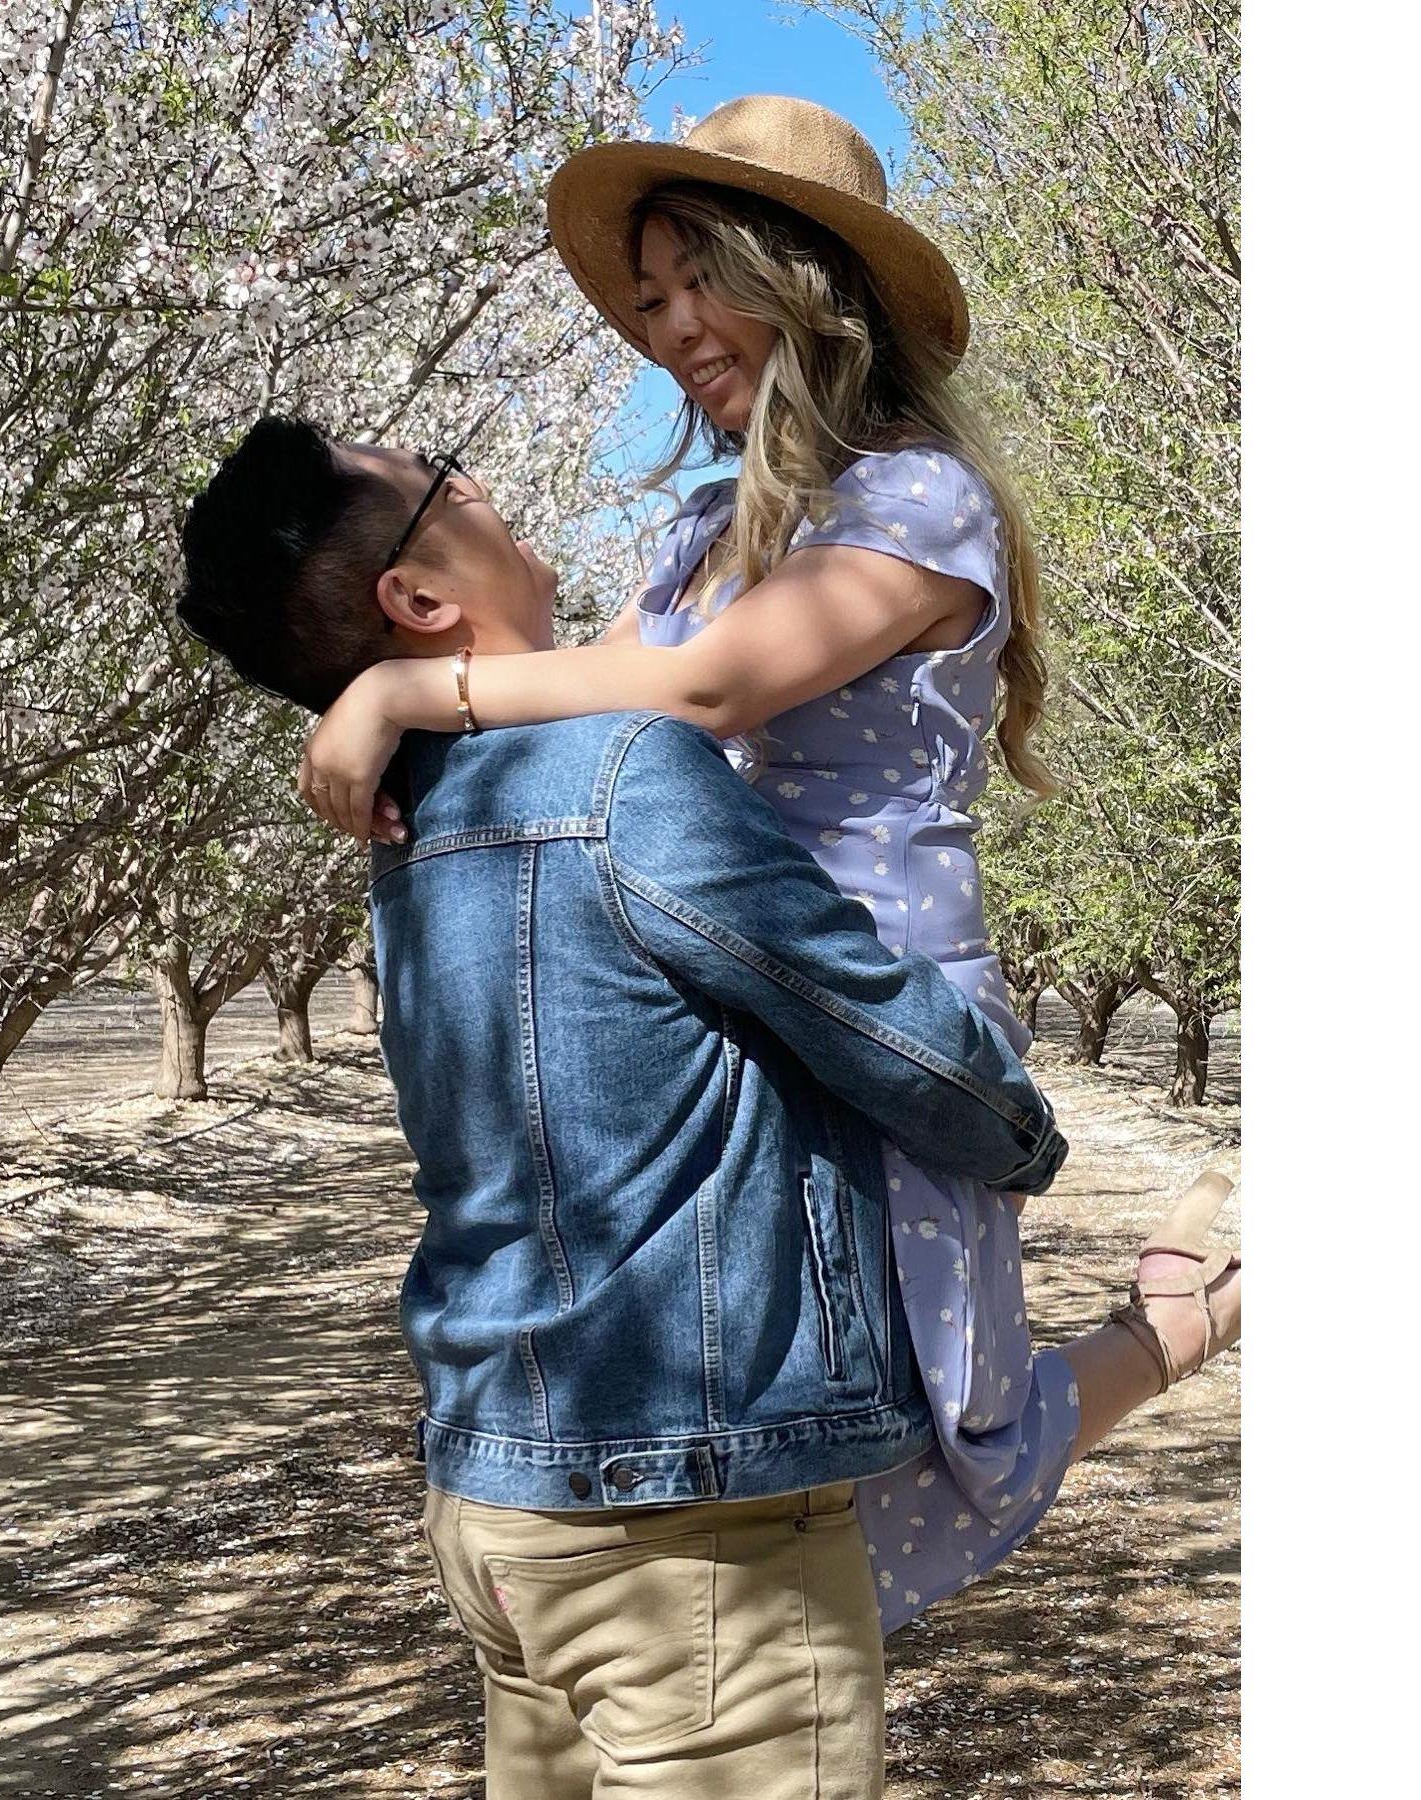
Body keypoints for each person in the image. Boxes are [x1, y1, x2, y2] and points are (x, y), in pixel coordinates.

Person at [291, 96, 1241, 1636]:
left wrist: (412, 688)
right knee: (787, 1432)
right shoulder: (693, 530)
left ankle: (1185, 1324)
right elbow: (587, 722)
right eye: (648, 298)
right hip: (722, 999)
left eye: (696, 281)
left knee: (939, 1417)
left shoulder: (921, 498)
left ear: (809, 283)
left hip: (875, 998)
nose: (669, 327)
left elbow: (709, 689)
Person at [176, 413, 1230, 1797]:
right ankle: (1186, 1319)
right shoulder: (620, 772)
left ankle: (1173, 1327)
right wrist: (1021, 1133)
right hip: (682, 1532)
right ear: (421, 600)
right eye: (444, 474)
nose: (483, 478)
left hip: (499, 1499)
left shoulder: (414, 814)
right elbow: (876, 1024)